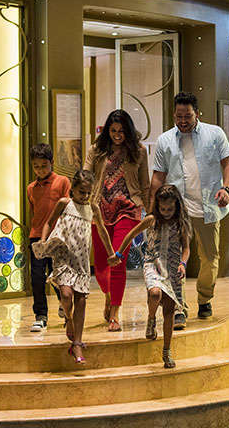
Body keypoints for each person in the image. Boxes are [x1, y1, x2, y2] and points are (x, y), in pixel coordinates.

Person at [150, 91, 229, 322]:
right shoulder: (165, 140)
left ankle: (204, 298)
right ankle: (178, 307)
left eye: (187, 116)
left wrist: (226, 188)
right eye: (179, 116)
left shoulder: (215, 134)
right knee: (173, 259)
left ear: (197, 113)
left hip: (208, 207)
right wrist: (153, 210)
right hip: (176, 211)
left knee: (209, 257)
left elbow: (228, 163)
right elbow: (158, 177)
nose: (183, 121)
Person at [32, 170, 113, 364]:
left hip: (82, 261)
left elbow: (101, 230)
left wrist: (110, 253)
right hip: (64, 256)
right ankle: (68, 318)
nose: (85, 196)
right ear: (73, 190)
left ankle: (77, 342)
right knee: (66, 295)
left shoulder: (92, 208)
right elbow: (49, 223)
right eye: (81, 192)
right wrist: (43, 240)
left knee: (81, 300)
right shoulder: (64, 204)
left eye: (88, 193)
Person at [109, 185, 191, 368]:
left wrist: (183, 264)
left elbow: (186, 248)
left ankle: (166, 351)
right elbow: (131, 234)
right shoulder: (152, 219)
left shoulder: (181, 223)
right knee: (154, 293)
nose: (166, 212)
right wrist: (119, 254)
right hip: (153, 264)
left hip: (172, 268)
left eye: (170, 209)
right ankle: (152, 318)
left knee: (169, 310)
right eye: (163, 209)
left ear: (177, 206)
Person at [85, 109, 150, 332]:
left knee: (118, 259)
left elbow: (145, 184)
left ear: (128, 131)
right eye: (113, 131)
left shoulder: (139, 151)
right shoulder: (97, 150)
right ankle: (108, 293)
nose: (117, 135)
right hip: (100, 210)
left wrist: (149, 212)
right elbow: (85, 176)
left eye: (122, 131)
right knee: (102, 267)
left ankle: (115, 313)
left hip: (128, 209)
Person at [25, 144, 70, 332]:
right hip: (37, 238)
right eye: (36, 166)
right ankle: (41, 315)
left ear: (51, 163)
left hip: (58, 239)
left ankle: (67, 310)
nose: (40, 170)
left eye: (44, 165)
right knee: (37, 277)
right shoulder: (31, 188)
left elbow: (68, 208)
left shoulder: (62, 182)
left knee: (59, 276)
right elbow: (34, 212)